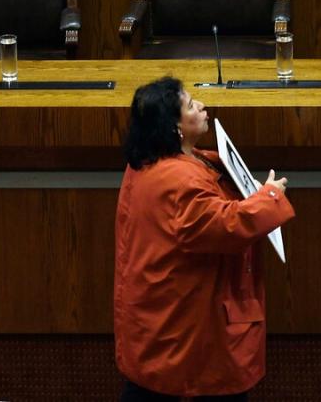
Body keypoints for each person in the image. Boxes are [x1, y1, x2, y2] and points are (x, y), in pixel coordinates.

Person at [114, 76, 295, 401]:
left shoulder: (152, 161)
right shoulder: (176, 180)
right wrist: (269, 197)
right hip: (185, 338)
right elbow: (226, 225)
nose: (201, 105)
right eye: (190, 104)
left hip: (165, 325)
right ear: (174, 128)